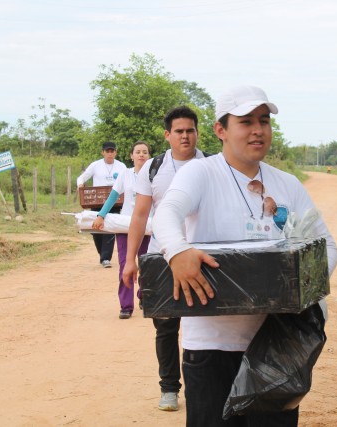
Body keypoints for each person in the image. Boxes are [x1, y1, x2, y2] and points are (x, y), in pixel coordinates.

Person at [151, 85, 337, 426]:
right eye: (246, 121)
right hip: (212, 347)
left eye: (264, 121)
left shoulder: (288, 185)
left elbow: (326, 247)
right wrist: (177, 251)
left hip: (279, 349)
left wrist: (298, 286)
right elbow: (167, 213)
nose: (258, 130)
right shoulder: (201, 173)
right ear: (220, 130)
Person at [122, 106, 208, 412]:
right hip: (161, 258)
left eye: (190, 130)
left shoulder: (213, 165)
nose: (185, 136)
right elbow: (140, 214)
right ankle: (169, 388)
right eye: (179, 131)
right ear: (167, 135)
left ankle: (204, 390)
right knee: (166, 326)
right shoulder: (153, 168)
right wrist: (130, 260)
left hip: (202, 257)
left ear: (198, 133)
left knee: (206, 327)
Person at [91, 141, 151, 319]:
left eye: (145, 152)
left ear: (149, 156)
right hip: (126, 225)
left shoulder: (153, 175)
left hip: (147, 226)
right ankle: (126, 305)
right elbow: (113, 196)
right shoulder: (124, 174)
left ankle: (144, 296)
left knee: (147, 263)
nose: (141, 155)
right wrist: (101, 215)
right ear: (131, 156)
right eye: (137, 152)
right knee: (125, 264)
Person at [77, 141, 127, 268]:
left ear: (115, 152)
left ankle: (106, 258)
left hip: (114, 202)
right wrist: (80, 185)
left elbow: (128, 180)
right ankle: (102, 255)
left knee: (109, 228)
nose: (110, 154)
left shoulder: (121, 166)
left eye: (112, 151)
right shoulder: (95, 165)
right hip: (96, 200)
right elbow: (82, 178)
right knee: (96, 230)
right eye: (107, 151)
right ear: (103, 152)